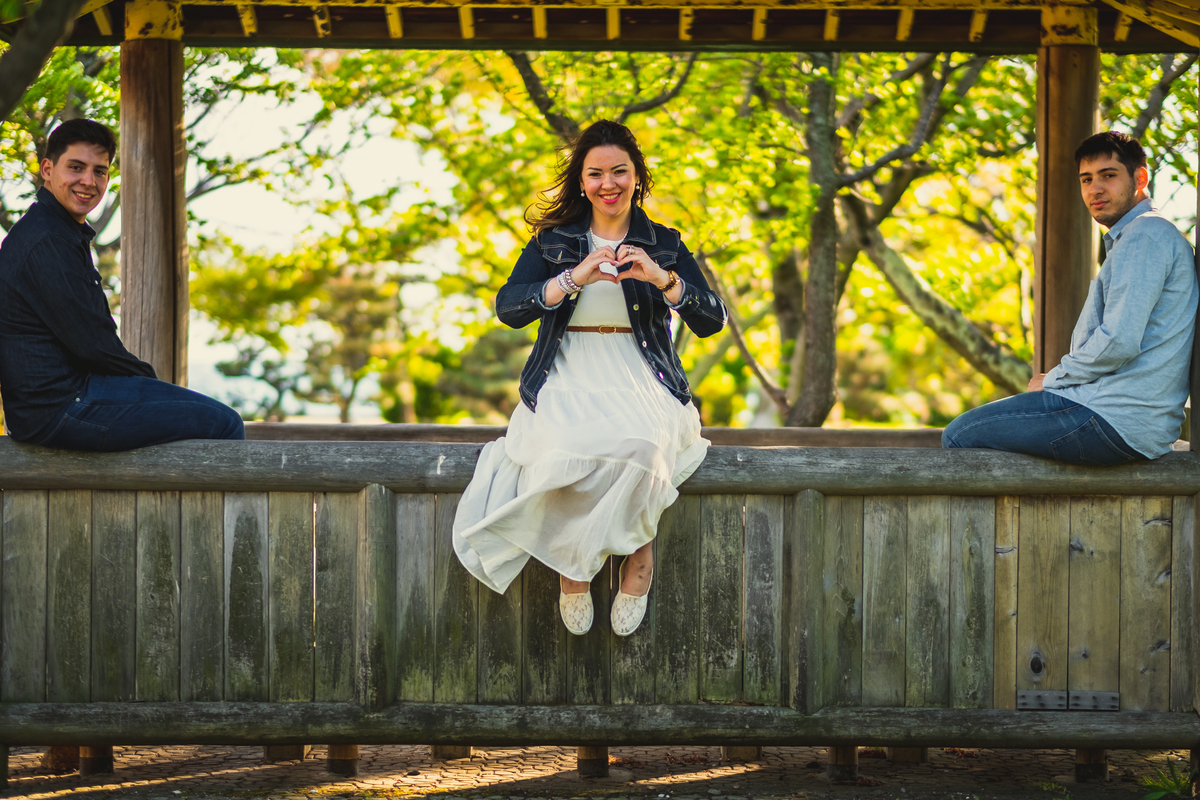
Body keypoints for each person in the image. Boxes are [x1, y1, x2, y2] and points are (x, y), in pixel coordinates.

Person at [453, 120, 727, 636]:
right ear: (582, 182)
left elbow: (713, 319)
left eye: (619, 172)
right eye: (596, 174)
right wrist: (570, 278)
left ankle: (639, 560)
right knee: (564, 451)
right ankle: (573, 570)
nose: (608, 184)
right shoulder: (553, 241)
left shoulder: (664, 243)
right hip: (567, 368)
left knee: (645, 447)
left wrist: (663, 279)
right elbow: (509, 307)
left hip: (642, 372)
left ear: (637, 176)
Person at [943, 131, 1197, 465]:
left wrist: (1052, 380)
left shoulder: (1145, 235)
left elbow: (1119, 340)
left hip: (1113, 417)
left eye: (1108, 175)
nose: (1095, 189)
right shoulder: (1142, 236)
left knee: (961, 434)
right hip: (1126, 420)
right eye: (1086, 179)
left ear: (1140, 178)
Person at [0, 118, 245, 451]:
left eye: (100, 171)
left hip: (56, 404)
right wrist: (150, 382)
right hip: (60, 407)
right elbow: (93, 343)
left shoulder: (55, 231)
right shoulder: (46, 239)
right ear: (47, 169)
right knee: (225, 423)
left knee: (184, 414)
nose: (89, 181)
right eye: (76, 167)